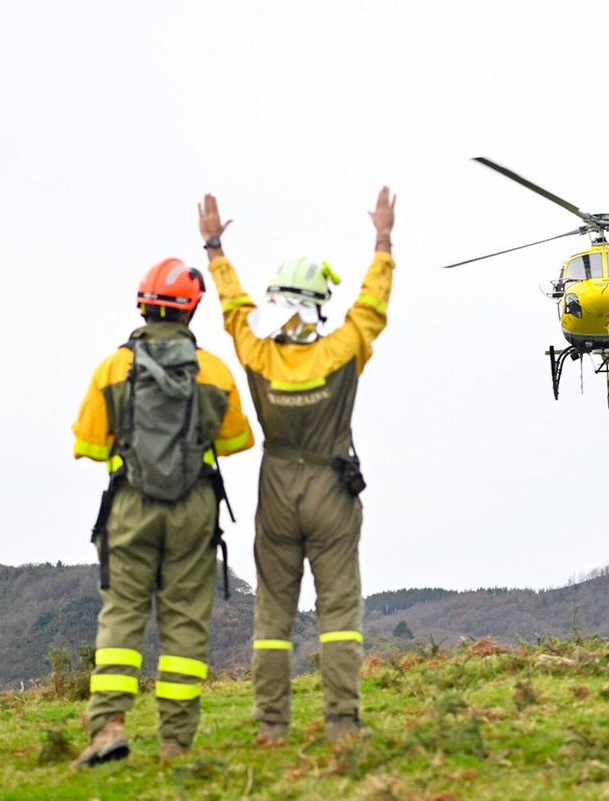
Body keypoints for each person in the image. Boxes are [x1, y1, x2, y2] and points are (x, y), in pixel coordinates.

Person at [197, 187, 395, 745]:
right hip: (333, 486)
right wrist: (382, 241)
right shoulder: (344, 350)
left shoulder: (257, 354)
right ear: (319, 302)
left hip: (277, 488)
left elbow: (234, 311)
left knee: (273, 616)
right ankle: (342, 725)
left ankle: (271, 727)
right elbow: (372, 307)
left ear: (278, 301)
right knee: (338, 611)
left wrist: (214, 249)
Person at [70, 258, 254, 766]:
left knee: (123, 614)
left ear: (143, 304)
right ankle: (175, 742)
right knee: (186, 621)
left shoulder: (112, 369)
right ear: (192, 310)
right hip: (194, 506)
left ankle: (108, 729)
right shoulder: (214, 371)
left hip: (130, 504)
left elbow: (87, 443)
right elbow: (238, 439)